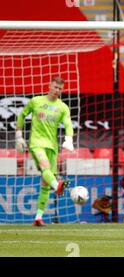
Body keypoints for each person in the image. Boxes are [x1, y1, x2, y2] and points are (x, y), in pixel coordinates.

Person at [15, 76, 73, 227]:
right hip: (36, 143)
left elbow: (67, 123)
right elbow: (22, 115)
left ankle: (38, 217)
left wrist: (69, 138)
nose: (57, 91)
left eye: (60, 89)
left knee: (45, 182)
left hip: (52, 146)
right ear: (50, 86)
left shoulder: (62, 107)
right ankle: (57, 186)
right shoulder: (36, 101)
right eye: (55, 87)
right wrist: (19, 135)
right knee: (45, 167)